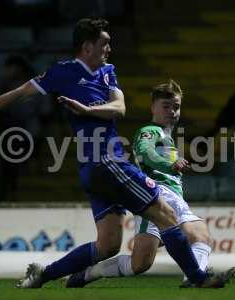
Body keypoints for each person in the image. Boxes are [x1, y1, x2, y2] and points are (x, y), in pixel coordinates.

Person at [0, 17, 235, 288]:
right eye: (105, 44)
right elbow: (18, 93)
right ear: (87, 47)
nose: (109, 49)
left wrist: (88, 110)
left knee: (108, 245)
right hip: (106, 161)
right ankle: (199, 279)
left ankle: (43, 275)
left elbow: (120, 107)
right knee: (165, 215)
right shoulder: (61, 73)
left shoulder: (107, 71)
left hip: (96, 169)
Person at [65, 79, 217, 288]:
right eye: (166, 106)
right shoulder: (150, 131)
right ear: (152, 107)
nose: (172, 111)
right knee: (200, 234)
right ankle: (195, 277)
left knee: (140, 263)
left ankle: (90, 273)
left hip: (164, 196)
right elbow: (146, 153)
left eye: (176, 107)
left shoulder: (166, 135)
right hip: (157, 195)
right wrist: (170, 165)